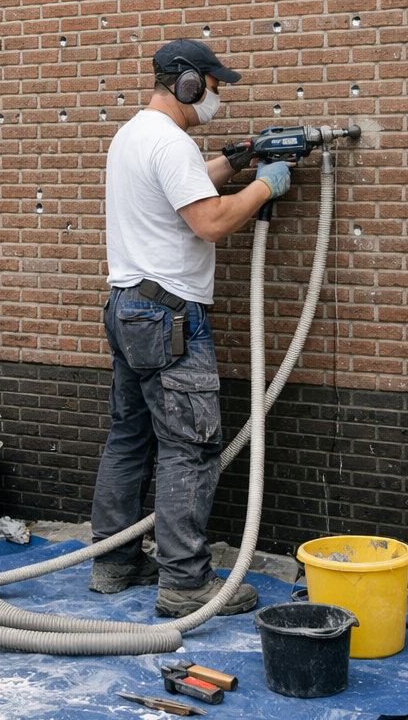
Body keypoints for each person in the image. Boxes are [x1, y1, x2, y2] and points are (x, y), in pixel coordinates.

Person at [88, 38, 291, 618]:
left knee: (130, 438)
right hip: (170, 316)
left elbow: (184, 182)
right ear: (188, 82)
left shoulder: (133, 134)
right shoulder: (171, 142)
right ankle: (185, 583)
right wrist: (265, 185)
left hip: (128, 307)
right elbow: (209, 220)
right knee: (190, 446)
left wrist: (238, 158)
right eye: (213, 86)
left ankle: (114, 562)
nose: (215, 98)